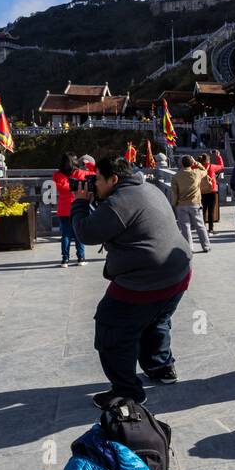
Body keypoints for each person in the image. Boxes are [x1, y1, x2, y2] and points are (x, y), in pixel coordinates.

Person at [71, 156, 192, 402]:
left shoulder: (118, 202)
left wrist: (80, 204)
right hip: (179, 271)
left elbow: (87, 232)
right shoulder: (148, 187)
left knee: (111, 330)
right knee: (156, 320)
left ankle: (126, 391)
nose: (95, 185)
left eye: (99, 180)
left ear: (114, 179)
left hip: (145, 281)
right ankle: (161, 368)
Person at [170, 156, 211, 253]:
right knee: (200, 226)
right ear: (191, 163)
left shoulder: (176, 176)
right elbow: (205, 170)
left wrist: (174, 204)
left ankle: (189, 248)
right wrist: (196, 162)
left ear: (181, 164)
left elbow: (174, 193)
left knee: (185, 228)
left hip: (181, 204)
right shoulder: (196, 173)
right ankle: (206, 246)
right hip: (195, 203)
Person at [51, 153, 86, 267]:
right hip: (77, 207)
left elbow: (63, 187)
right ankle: (81, 258)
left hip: (63, 208)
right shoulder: (80, 173)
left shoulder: (57, 175)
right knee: (78, 234)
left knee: (66, 234)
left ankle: (65, 260)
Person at [199, 150, 224, 234]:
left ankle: (202, 228)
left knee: (202, 210)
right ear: (208, 160)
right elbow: (221, 166)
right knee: (211, 211)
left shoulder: (198, 168)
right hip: (212, 190)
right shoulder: (212, 167)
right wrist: (218, 156)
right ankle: (211, 229)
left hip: (201, 191)